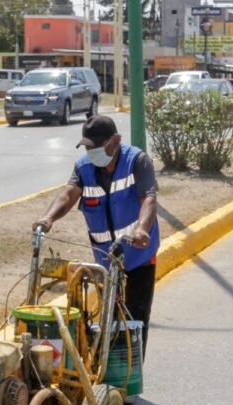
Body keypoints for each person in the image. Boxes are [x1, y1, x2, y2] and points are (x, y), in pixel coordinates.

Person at [33, 115, 159, 357]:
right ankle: (106, 368)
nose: (91, 152)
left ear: (115, 141)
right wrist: (48, 218)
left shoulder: (137, 161)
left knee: (136, 315)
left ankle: (131, 374)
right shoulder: (84, 167)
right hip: (105, 257)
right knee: (108, 314)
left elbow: (149, 199)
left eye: (96, 147)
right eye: (88, 147)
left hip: (138, 252)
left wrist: (142, 228)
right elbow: (68, 194)